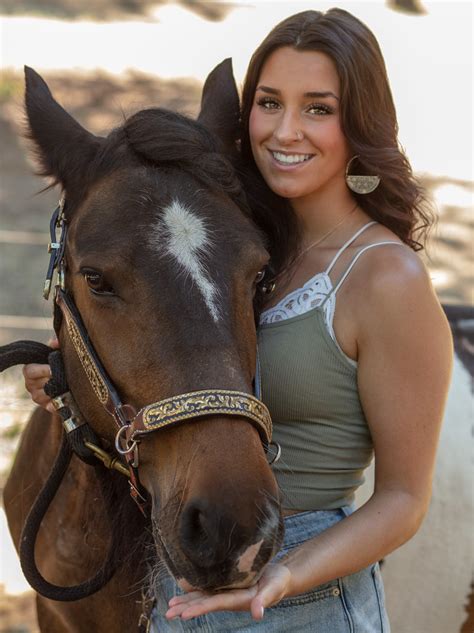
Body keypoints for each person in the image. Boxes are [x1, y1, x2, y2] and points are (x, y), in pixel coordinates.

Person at [23, 8, 453, 632]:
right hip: (188, 574)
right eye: (270, 102)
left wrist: (289, 574)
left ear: (359, 124)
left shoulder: (388, 278)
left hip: (301, 591)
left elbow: (405, 499)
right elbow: (164, 352)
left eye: (319, 109)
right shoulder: (237, 250)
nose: (286, 131)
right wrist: (67, 375)